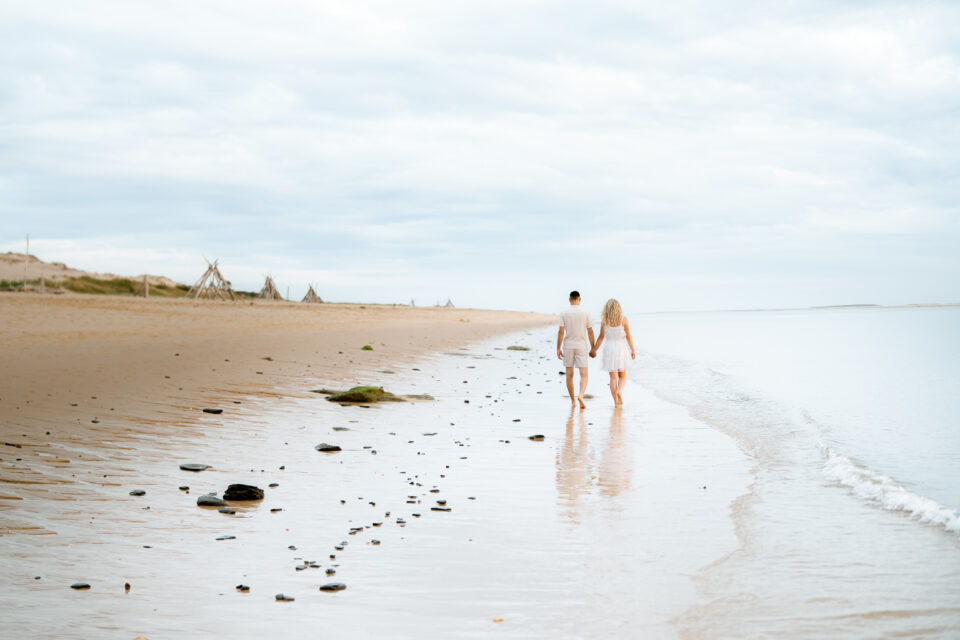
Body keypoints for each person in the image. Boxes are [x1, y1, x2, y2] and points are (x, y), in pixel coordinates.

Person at [590, 298, 636, 407]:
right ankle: (619, 392)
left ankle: (616, 402)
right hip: (621, 348)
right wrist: (633, 350)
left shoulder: (604, 321)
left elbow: (601, 338)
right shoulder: (624, 320)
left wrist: (594, 349)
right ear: (618, 309)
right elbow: (628, 336)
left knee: (613, 377)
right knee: (623, 376)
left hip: (609, 348)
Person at [557, 290, 595, 409]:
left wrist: (558, 348)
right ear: (579, 299)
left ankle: (573, 401)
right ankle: (581, 395)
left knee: (569, 375)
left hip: (568, 346)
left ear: (570, 300)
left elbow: (561, 332)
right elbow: (590, 331)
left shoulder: (564, 313)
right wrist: (593, 347)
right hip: (581, 346)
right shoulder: (586, 313)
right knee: (584, 375)